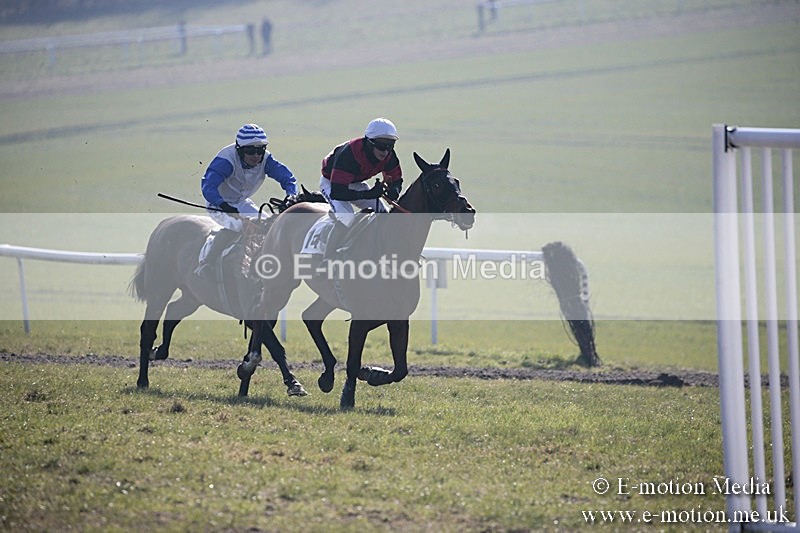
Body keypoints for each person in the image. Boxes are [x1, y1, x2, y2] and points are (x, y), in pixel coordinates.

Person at [196, 123, 298, 276]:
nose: (256, 156)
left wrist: (291, 196)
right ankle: (207, 262)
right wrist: (222, 204)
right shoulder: (226, 160)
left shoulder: (266, 160)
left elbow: (288, 178)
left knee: (267, 227)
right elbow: (208, 186)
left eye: (260, 150)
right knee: (238, 226)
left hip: (241, 202)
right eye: (250, 150)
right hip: (218, 204)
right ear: (239, 149)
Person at [318, 117, 403, 262]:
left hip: (355, 182)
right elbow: (338, 192)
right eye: (382, 146)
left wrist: (393, 191)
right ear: (369, 143)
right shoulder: (350, 155)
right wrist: (368, 194)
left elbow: (396, 180)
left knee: (384, 215)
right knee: (346, 217)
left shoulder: (389, 156)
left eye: (390, 145)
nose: (386, 151)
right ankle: (327, 258)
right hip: (332, 183)